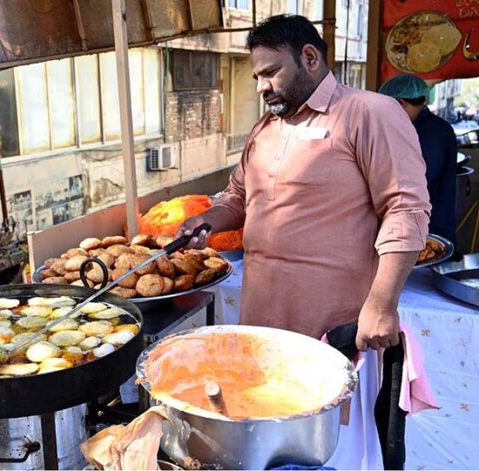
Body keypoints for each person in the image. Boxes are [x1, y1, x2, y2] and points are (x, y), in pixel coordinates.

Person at [179, 15, 431, 469]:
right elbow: (238, 197)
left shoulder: (368, 113)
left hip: (335, 330)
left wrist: (381, 305)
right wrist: (207, 219)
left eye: (270, 72)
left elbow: (406, 209)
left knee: (333, 448)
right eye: (257, 76)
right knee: (271, 439)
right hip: (264, 326)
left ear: (310, 58)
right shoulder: (265, 130)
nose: (261, 86)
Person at [379, 74, 458, 247]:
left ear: (400, 103)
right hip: (410, 227)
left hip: (429, 230)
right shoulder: (410, 125)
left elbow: (415, 181)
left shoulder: (434, 132)